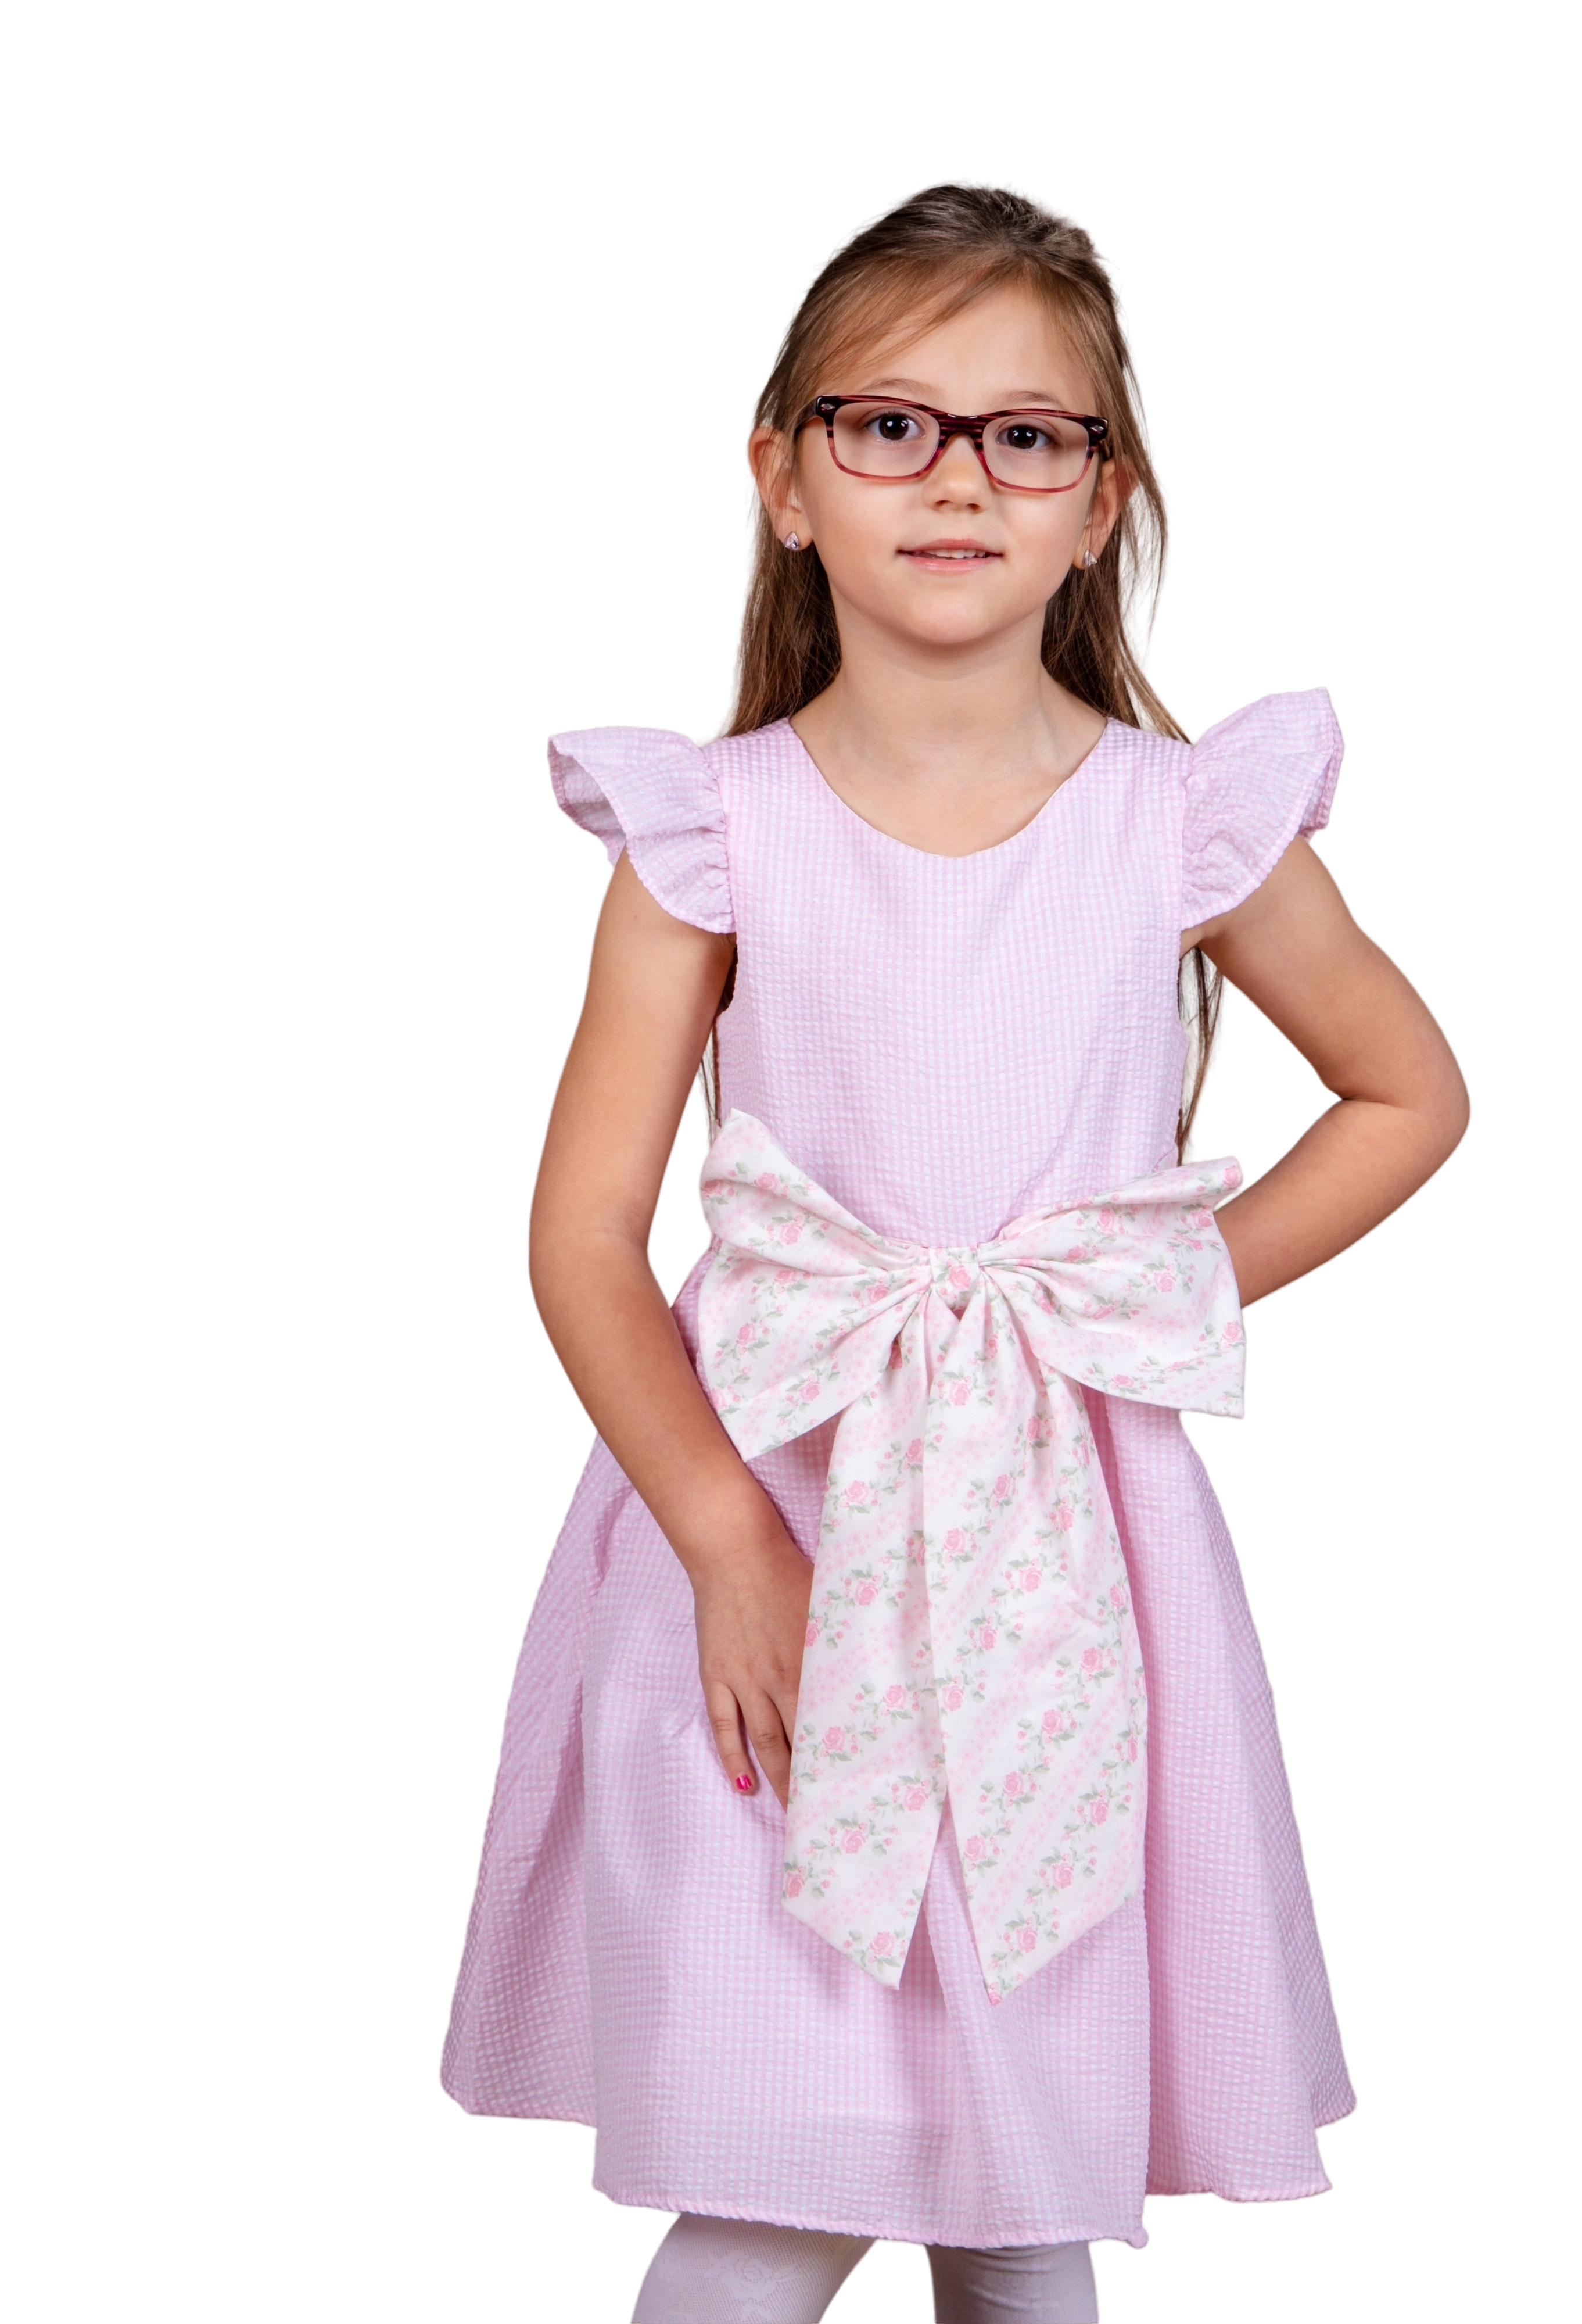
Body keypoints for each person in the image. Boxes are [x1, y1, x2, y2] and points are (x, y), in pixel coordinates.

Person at [436, 176, 1472, 2324]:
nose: (958, 477)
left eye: (1026, 434)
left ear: (1102, 504)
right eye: (889, 423)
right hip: (767, 1540)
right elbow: (584, 1235)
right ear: (783, 478)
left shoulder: (1182, 822)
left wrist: (1133, 1301)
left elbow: (1405, 1094)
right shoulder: (708, 831)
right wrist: (727, 1540)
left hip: (1057, 1545)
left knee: (1025, 2166)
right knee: (777, 2149)